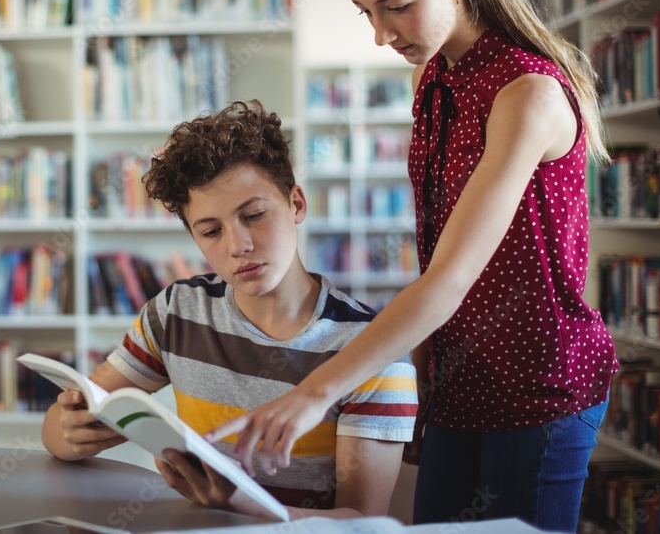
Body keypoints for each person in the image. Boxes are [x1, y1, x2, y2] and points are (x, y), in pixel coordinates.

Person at [204, 0, 620, 533]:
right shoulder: (435, 79)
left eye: (396, 5)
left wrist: (319, 391)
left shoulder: (527, 93)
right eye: (365, 11)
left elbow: (449, 278)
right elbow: (439, 254)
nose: (380, 34)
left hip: (540, 380)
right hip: (458, 380)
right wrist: (421, 379)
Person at [41, 100, 417, 520]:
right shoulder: (176, 313)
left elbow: (364, 522)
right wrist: (68, 432)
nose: (238, 245)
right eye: (211, 231)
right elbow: (61, 425)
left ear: (296, 204)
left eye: (254, 215)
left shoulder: (375, 350)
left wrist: (240, 503)